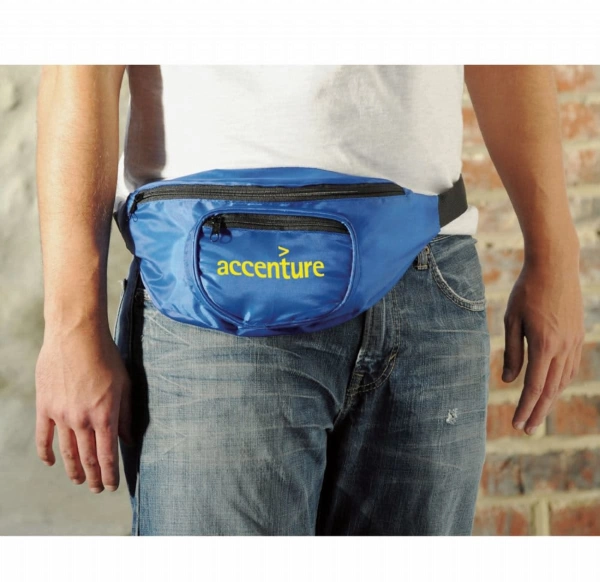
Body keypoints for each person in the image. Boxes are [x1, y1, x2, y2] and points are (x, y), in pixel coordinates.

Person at [35, 66, 584, 535]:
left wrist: (555, 255)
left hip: (425, 270)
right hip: (219, 295)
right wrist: (70, 326)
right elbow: (80, 65)